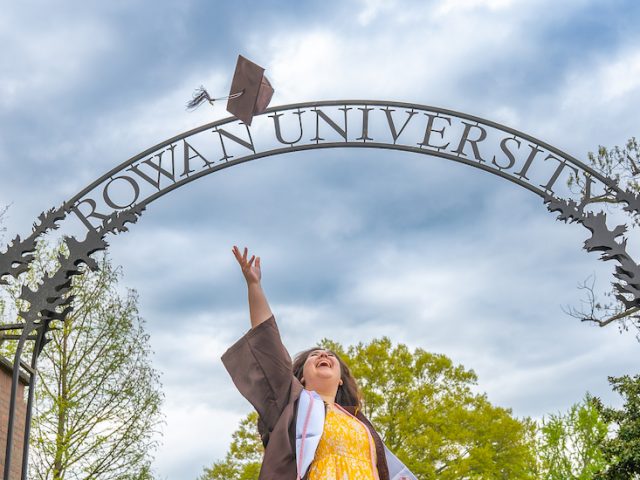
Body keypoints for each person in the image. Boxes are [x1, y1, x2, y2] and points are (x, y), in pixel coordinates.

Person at [222, 246, 417, 480]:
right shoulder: (293, 406)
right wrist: (254, 286)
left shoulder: (360, 424)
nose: (324, 356)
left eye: (330, 355)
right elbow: (269, 344)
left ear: (341, 379)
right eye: (315, 355)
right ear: (301, 376)